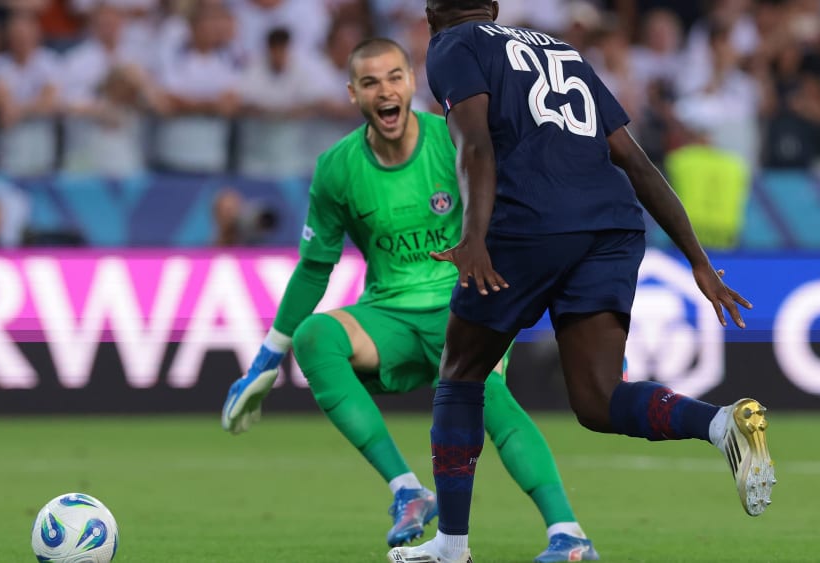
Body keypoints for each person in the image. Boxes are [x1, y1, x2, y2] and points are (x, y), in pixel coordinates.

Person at [388, 2, 776, 563]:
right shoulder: (561, 50)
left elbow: (474, 143)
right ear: (493, 6)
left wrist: (473, 237)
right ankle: (719, 424)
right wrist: (696, 259)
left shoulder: (453, 45)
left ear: (430, 12)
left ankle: (451, 547)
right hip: (612, 227)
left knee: (461, 372)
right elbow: (634, 160)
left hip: (530, 221)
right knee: (598, 399)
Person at [222, 38, 600, 562]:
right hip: (390, 316)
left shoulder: (454, 140)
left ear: (412, 82)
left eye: (394, 77)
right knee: (315, 338)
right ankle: (408, 490)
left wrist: (574, 314)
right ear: (353, 94)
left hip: (464, 305)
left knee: (489, 400)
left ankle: (569, 533)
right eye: (371, 82)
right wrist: (267, 358)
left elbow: (523, 218)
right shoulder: (337, 168)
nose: (385, 91)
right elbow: (314, 268)